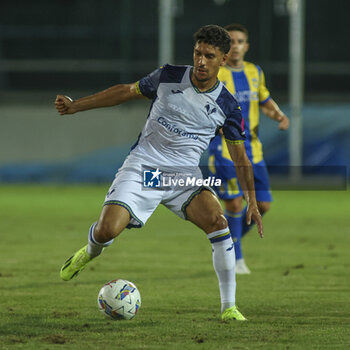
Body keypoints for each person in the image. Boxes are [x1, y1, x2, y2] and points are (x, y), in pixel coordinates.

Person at [55, 24, 263, 321]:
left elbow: (239, 155)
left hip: (183, 177)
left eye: (209, 56)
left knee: (218, 223)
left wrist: (251, 200)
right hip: (144, 167)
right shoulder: (168, 76)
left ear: (223, 59)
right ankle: (89, 251)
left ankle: (229, 307)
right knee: (106, 230)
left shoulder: (228, 106)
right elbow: (125, 91)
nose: (201, 61)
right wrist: (77, 106)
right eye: (197, 53)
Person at [208, 23, 289, 274]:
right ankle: (236, 258)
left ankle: (229, 244)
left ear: (246, 46)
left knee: (262, 205)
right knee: (233, 205)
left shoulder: (255, 72)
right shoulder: (216, 73)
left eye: (240, 41)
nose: (235, 45)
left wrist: (278, 115)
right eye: (231, 41)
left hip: (253, 149)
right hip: (225, 150)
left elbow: (263, 99)